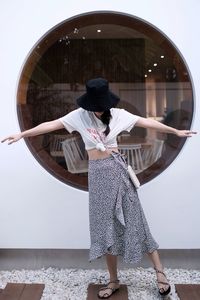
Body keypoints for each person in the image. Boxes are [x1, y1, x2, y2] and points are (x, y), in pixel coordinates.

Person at [1, 78, 196, 298]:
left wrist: (175, 131)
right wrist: (22, 134)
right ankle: (113, 281)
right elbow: (51, 124)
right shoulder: (79, 116)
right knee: (104, 227)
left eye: (102, 106)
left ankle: (160, 273)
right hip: (98, 176)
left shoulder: (120, 115)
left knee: (136, 220)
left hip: (118, 172)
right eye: (95, 106)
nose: (99, 110)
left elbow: (146, 122)